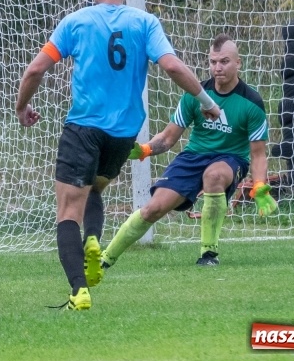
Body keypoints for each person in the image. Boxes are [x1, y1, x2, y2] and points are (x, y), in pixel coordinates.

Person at [15, 0, 222, 311]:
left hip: (83, 127)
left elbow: (36, 69)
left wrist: (22, 106)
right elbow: (171, 65)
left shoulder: (75, 22)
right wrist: (205, 100)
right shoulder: (145, 22)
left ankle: (78, 291)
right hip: (123, 134)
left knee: (67, 210)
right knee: (94, 188)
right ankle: (93, 239)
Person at [93, 33, 276, 282]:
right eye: (213, 62)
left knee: (214, 175)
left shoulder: (251, 102)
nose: (217, 68)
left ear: (238, 63)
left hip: (231, 158)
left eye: (224, 61)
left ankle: (208, 252)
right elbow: (168, 138)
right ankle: (104, 259)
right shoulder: (196, 94)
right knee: (152, 209)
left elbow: (257, 153)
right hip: (193, 156)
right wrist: (145, 149)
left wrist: (259, 186)